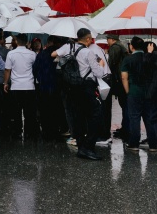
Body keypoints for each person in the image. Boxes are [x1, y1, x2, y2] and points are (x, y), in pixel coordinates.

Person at [52, 28, 106, 160]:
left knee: (78, 117)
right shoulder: (88, 53)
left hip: (71, 87)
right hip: (86, 87)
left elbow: (53, 55)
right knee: (95, 116)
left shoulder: (67, 47)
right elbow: (99, 73)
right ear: (88, 39)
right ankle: (88, 147)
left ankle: (81, 147)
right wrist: (101, 64)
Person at [120, 36, 157, 152]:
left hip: (134, 91)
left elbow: (124, 77)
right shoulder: (150, 58)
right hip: (149, 92)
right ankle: (153, 144)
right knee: (149, 118)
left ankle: (134, 144)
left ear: (131, 46)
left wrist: (128, 91)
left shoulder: (128, 59)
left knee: (134, 118)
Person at [3, 34, 38, 138]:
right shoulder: (32, 54)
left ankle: (17, 131)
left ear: (17, 41)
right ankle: (29, 132)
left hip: (16, 86)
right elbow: (35, 69)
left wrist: (5, 83)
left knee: (16, 112)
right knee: (29, 112)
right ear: (27, 42)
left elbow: (7, 70)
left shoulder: (11, 54)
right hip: (29, 86)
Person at [33, 36, 64, 140]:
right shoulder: (60, 54)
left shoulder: (41, 54)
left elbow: (35, 70)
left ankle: (46, 131)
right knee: (56, 109)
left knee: (44, 109)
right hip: (57, 86)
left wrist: (41, 79)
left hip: (43, 86)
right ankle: (56, 131)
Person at [103, 34, 129, 141]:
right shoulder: (121, 46)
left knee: (125, 105)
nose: (107, 41)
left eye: (108, 39)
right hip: (121, 79)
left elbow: (111, 64)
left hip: (118, 80)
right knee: (125, 105)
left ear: (112, 39)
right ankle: (125, 128)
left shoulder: (115, 47)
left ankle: (126, 130)